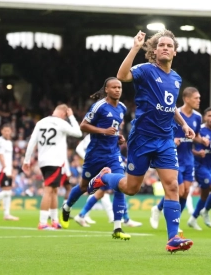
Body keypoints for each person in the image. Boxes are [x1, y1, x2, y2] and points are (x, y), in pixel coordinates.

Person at [87, 30, 195, 253]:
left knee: (173, 186)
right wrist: (135, 48)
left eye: (169, 45)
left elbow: (170, 105)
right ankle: (105, 177)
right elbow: (122, 75)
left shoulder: (176, 78)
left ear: (175, 51)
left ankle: (173, 237)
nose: (165, 48)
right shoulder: (146, 70)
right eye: (161, 45)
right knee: (131, 188)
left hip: (165, 139)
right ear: (154, 51)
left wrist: (183, 124)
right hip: (142, 138)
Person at [60, 77, 133, 240]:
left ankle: (117, 228)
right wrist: (102, 131)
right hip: (95, 155)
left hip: (113, 154)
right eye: (114, 87)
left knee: (121, 185)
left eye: (119, 87)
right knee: (84, 187)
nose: (117, 90)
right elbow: (83, 125)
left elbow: (114, 129)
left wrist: (119, 138)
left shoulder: (122, 108)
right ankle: (67, 206)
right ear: (106, 89)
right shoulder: (99, 106)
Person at [150, 87, 208, 231]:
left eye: (199, 98)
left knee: (186, 192)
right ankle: (157, 209)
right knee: (179, 191)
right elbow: (164, 131)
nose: (199, 100)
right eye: (196, 98)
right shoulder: (175, 114)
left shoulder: (197, 117)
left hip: (189, 159)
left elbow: (195, 135)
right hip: (173, 158)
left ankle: (175, 221)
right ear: (186, 99)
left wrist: (202, 141)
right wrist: (172, 140)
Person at [22, 104, 82, 230]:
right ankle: (42, 222)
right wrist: (71, 116)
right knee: (49, 190)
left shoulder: (41, 122)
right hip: (55, 161)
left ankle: (54, 221)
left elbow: (32, 141)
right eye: (66, 115)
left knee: (54, 190)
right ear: (64, 114)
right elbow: (78, 132)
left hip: (43, 160)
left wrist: (26, 160)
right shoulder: (61, 123)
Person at [74, 134, 142, 227]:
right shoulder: (103, 132)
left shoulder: (111, 132)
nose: (121, 124)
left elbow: (112, 151)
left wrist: (124, 159)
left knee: (102, 193)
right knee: (119, 188)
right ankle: (125, 219)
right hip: (105, 165)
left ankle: (82, 215)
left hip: (107, 164)